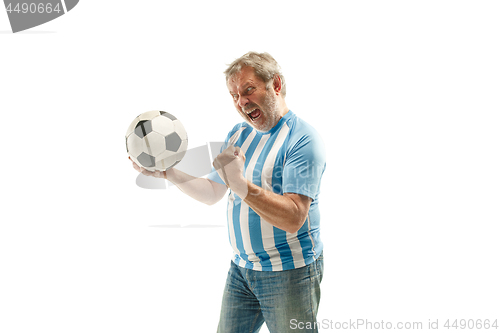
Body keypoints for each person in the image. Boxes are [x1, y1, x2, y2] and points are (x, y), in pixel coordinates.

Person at [130, 52, 326, 333]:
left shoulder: (303, 140)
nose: (241, 102)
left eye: (249, 90)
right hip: (242, 271)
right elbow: (212, 192)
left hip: (288, 274)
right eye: (234, 95)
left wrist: (241, 186)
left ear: (277, 85)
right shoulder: (240, 134)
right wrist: (168, 173)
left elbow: (295, 217)